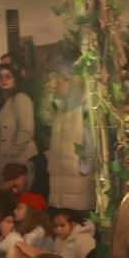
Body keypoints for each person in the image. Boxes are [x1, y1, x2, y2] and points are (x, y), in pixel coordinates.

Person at [41, 68, 91, 211]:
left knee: (75, 219)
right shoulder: (60, 109)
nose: (56, 85)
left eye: (60, 82)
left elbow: (90, 142)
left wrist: (84, 167)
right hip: (59, 177)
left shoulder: (83, 110)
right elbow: (45, 117)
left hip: (76, 179)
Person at [0, 65, 37, 189]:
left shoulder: (21, 99)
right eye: (0, 77)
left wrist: (11, 155)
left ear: (15, 79)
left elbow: (26, 130)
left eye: (8, 76)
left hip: (18, 160)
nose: (4, 80)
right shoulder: (0, 101)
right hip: (2, 158)